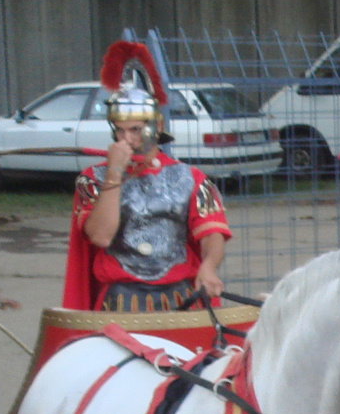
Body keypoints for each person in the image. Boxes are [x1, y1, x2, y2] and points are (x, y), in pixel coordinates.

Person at [65, 44, 229, 312]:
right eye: (119, 130)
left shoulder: (192, 178)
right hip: (120, 302)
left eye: (135, 129)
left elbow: (212, 233)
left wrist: (209, 267)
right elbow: (101, 236)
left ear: (158, 127)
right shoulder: (92, 179)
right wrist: (114, 173)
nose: (126, 138)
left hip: (180, 300)